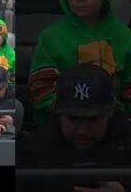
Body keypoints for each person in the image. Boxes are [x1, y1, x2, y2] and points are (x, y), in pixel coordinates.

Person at [28, 0, 131, 127]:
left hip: (114, 123)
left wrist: (115, 115)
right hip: (62, 123)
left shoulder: (124, 36)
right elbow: (41, 89)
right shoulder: (51, 37)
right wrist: (72, 113)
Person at [17, 64, 131, 192]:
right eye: (73, 119)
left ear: (110, 113)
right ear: (58, 113)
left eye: (93, 120)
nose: (83, 131)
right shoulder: (33, 152)